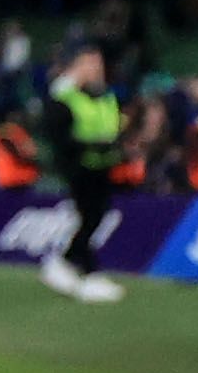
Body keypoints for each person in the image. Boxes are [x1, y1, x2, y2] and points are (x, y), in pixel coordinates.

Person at [34, 40, 129, 302]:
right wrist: (92, 144)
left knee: (94, 216)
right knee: (90, 216)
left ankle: (67, 264)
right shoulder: (66, 95)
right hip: (80, 165)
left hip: (102, 164)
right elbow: (58, 133)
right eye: (91, 63)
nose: (97, 68)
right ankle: (87, 272)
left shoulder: (102, 94)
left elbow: (109, 124)